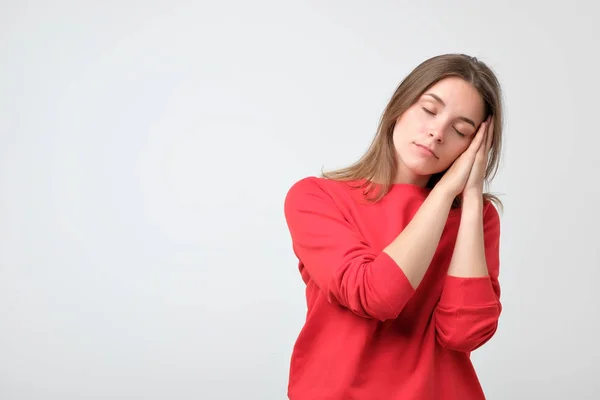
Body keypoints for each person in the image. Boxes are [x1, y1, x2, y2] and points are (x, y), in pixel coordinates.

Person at [283, 53, 505, 400]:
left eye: (461, 130)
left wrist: (472, 195)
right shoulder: (316, 197)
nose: (437, 132)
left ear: (473, 147)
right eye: (429, 110)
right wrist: (447, 189)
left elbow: (464, 333)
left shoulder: (476, 218)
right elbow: (377, 296)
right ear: (400, 106)